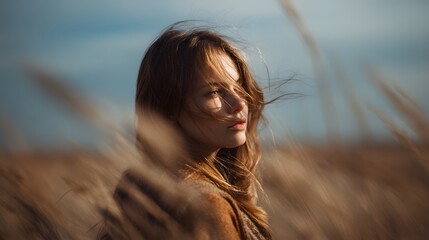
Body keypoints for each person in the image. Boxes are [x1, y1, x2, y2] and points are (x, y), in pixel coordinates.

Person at [100, 22, 272, 240]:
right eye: (214, 92)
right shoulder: (207, 207)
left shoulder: (138, 187)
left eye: (238, 86)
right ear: (170, 108)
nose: (239, 102)